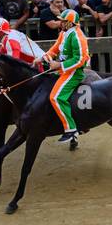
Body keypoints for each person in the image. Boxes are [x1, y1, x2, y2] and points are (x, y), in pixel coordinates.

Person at [43, 8, 90, 144]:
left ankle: (71, 130)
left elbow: (80, 59)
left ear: (69, 23)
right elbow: (55, 48)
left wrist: (59, 65)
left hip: (74, 72)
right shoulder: (64, 33)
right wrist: (44, 57)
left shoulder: (78, 36)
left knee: (56, 97)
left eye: (62, 21)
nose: (60, 23)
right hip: (64, 70)